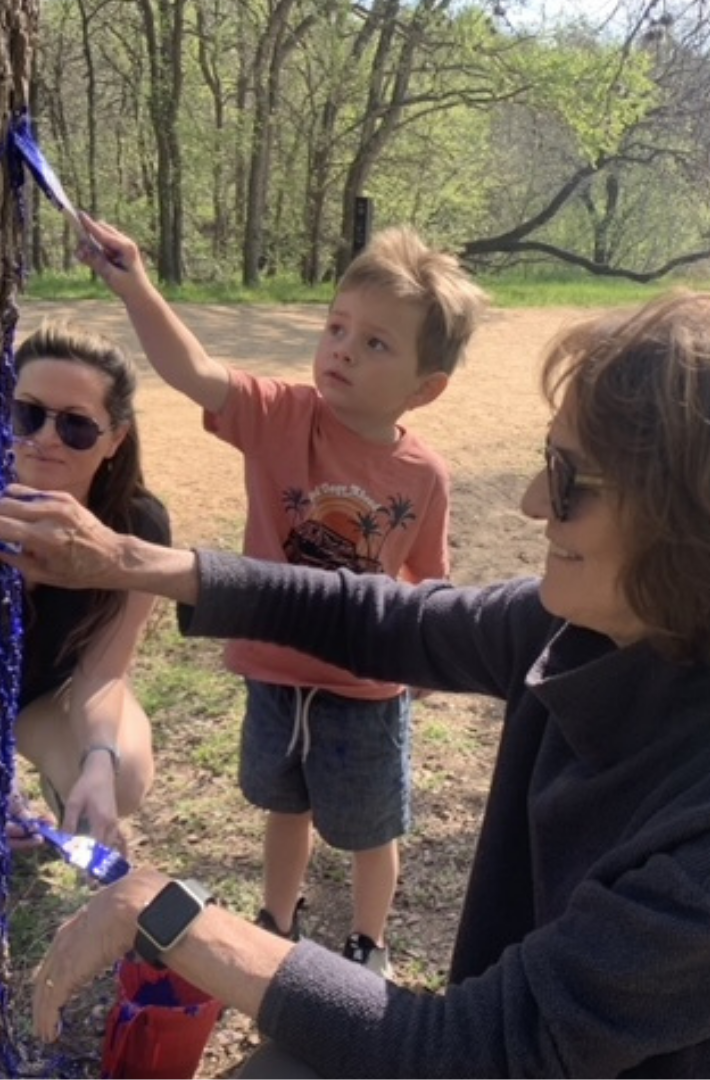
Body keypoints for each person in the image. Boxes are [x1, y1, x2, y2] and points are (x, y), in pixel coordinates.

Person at [0, 291, 710, 1077]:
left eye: (569, 479)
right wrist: (129, 559)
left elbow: (481, 1052)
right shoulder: (601, 627)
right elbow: (385, 619)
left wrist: (169, 910)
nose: (532, 504)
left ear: (702, 525)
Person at [73, 214, 488, 975]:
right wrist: (135, 286)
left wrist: (426, 658)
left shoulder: (423, 475)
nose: (343, 349)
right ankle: (277, 921)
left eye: (376, 343)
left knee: (370, 830)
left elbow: (427, 580)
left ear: (425, 389)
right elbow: (195, 371)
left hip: (364, 690)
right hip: (273, 671)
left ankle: (368, 943)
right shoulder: (280, 416)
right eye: (337, 327)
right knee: (284, 807)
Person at [5, 320, 171, 852]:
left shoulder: (137, 525)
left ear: (114, 439)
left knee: (121, 775)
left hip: (44, 694)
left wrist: (98, 759)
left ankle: (74, 800)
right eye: (27, 414)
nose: (45, 438)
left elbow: (102, 670)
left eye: (76, 426)